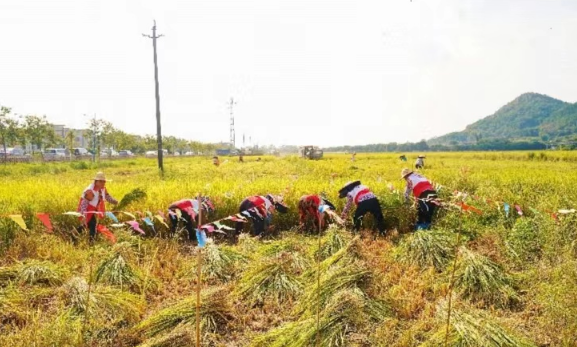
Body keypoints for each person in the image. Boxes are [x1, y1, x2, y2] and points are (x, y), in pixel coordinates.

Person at [76, 172, 118, 241]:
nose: (103, 183)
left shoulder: (102, 189)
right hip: (87, 210)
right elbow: (84, 204)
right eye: (100, 181)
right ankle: (91, 241)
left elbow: (107, 197)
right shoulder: (90, 191)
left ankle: (73, 234)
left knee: (87, 225)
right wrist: (83, 215)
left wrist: (115, 202)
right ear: (96, 181)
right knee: (92, 224)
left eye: (104, 181)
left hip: (94, 209)